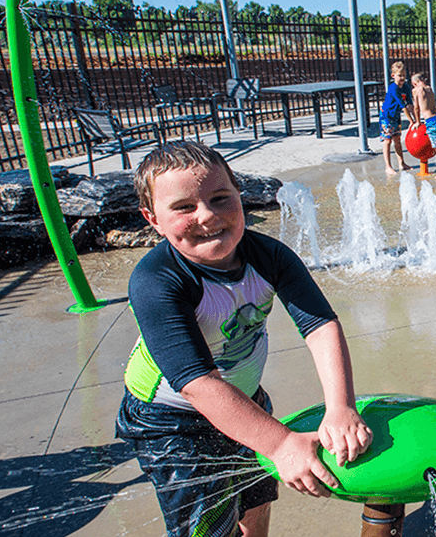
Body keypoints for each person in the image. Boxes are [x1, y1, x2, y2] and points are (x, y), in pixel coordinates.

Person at [113, 142, 400, 537]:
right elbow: (198, 385)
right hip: (171, 417)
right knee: (209, 526)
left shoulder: (268, 256)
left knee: (255, 498)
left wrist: (341, 407)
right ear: (153, 219)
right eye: (184, 207)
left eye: (220, 198)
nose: (208, 215)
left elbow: (320, 326)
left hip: (244, 397)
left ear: (240, 198)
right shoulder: (157, 282)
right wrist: (281, 444)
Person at [381, 61, 418, 175]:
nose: (402, 78)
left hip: (396, 115)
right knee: (387, 140)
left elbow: (410, 104)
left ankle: (401, 163)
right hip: (387, 116)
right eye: (400, 75)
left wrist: (417, 120)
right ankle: (388, 166)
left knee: (397, 139)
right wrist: (412, 121)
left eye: (404, 75)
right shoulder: (393, 88)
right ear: (393, 76)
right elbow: (403, 106)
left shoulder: (406, 87)